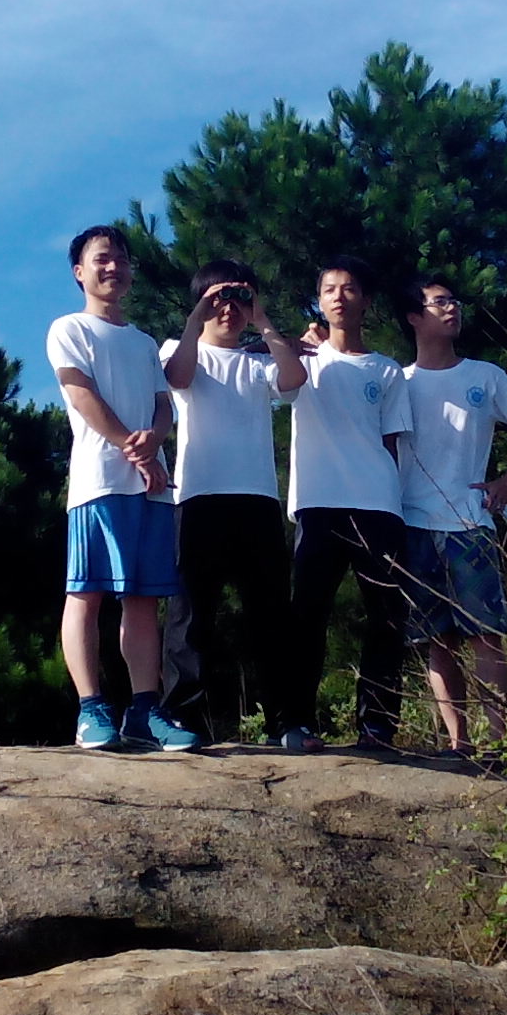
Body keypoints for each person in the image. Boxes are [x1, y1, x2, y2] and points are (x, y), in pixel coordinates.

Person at [45, 226, 197, 753]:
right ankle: (91, 707)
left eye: (122, 260)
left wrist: (154, 443)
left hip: (152, 487)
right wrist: (134, 451)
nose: (114, 268)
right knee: (86, 592)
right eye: (102, 259)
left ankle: (144, 709)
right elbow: (79, 392)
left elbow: (163, 403)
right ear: (79, 271)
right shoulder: (69, 328)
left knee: (143, 599)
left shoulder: (143, 341)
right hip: (100, 481)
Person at [393, 275, 507, 756]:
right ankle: (458, 743)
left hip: (470, 523)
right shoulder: (400, 381)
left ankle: (500, 743)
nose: (452, 308)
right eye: (439, 302)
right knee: (436, 639)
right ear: (415, 317)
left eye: (454, 300)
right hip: (413, 522)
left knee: (485, 634)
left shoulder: (485, 375)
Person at [160, 258, 307, 744]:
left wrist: (263, 322)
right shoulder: (179, 348)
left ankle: (284, 721)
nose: (229, 309)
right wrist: (193, 320)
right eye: (218, 299)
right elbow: (178, 378)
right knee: (189, 616)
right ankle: (182, 719)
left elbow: (293, 381)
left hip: (257, 499)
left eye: (238, 299)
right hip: (197, 497)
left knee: (269, 615)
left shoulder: (259, 360)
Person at [283, 255, 414, 751]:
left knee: (385, 617)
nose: (339, 296)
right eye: (330, 289)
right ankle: (297, 722)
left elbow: (392, 445)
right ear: (319, 301)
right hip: (318, 504)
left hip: (378, 505)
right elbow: (242, 361)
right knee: (306, 617)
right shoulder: (300, 363)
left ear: (366, 301)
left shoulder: (387, 370)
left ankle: (378, 725)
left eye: (350, 288)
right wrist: (294, 344)